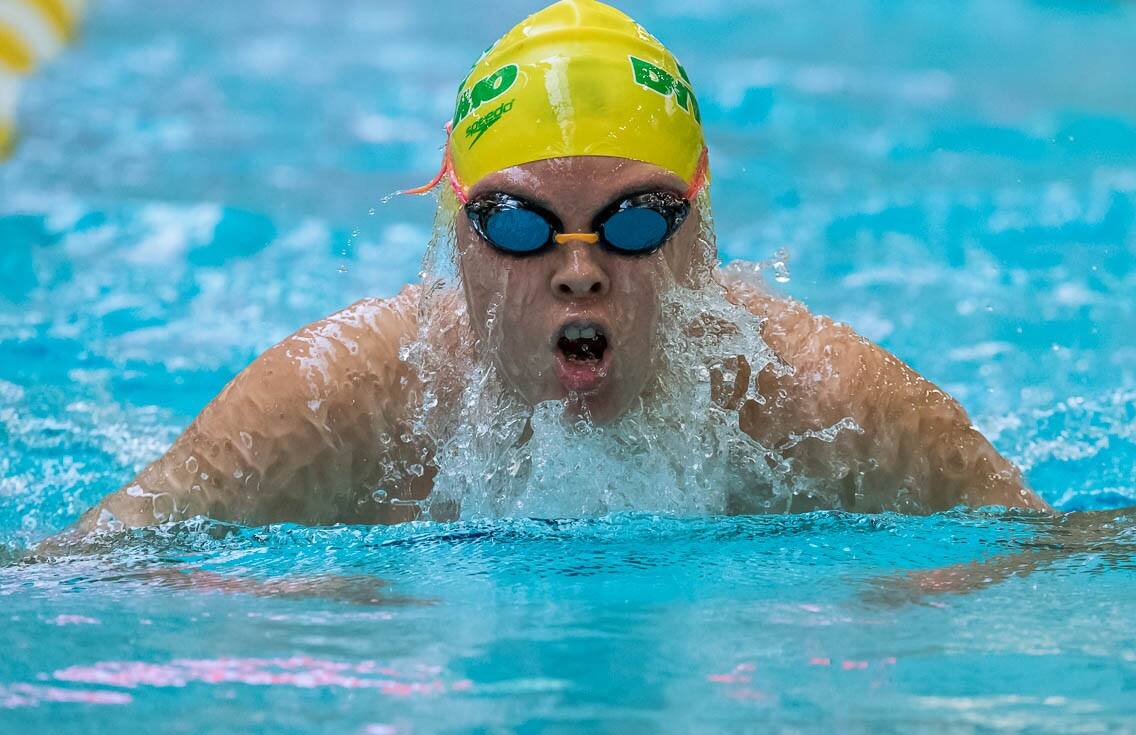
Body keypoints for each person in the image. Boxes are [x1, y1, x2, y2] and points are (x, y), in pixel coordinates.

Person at [58, 0, 1046, 540]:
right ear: (457, 236)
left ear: (700, 234)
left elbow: (1065, 560)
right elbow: (81, 574)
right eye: (523, 227)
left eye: (635, 222)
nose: (580, 272)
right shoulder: (338, 404)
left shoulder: (825, 406)